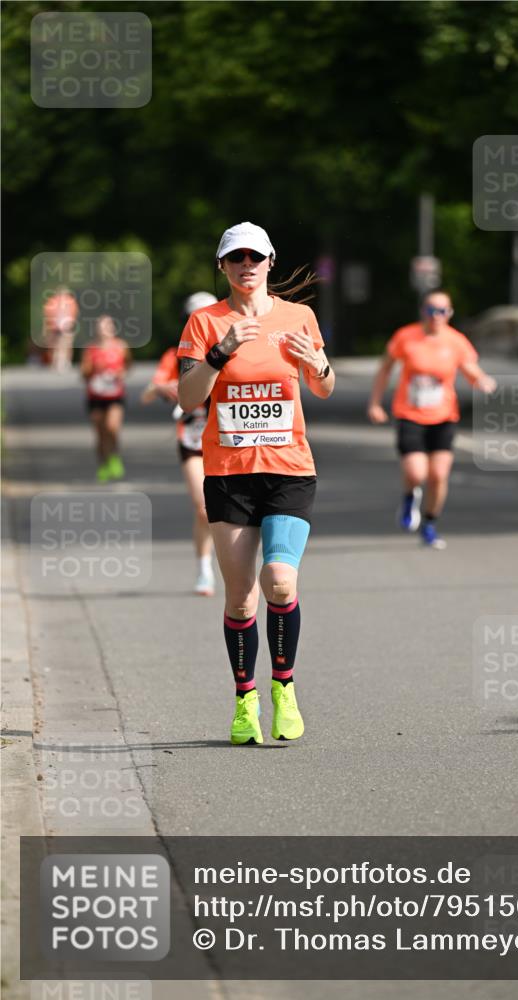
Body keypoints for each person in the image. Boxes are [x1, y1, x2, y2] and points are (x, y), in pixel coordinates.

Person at [177, 222, 334, 745]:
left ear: (270, 261)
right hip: (229, 475)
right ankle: (245, 700)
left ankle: (283, 688)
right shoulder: (205, 322)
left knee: (280, 582)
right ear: (222, 266)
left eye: (255, 257)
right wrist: (219, 353)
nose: (246, 265)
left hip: (289, 468)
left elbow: (323, 387)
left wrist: (319, 364)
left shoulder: (298, 317)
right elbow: (188, 398)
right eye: (236, 258)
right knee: (242, 599)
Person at [368, 289, 497, 549]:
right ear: (422, 311)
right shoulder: (406, 336)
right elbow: (385, 368)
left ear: (449, 313)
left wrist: (482, 381)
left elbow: (470, 369)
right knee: (416, 473)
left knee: (438, 475)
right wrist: (375, 403)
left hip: (443, 416)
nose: (436, 316)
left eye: (442, 311)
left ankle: (429, 523)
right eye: (431, 310)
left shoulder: (456, 341)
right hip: (410, 414)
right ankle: (409, 496)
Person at [141, 292, 218, 597]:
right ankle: (204, 569)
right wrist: (165, 387)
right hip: (193, 440)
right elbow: (147, 393)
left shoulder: (231, 350)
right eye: (195, 318)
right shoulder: (178, 355)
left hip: (230, 441)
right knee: (203, 509)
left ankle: (237, 564)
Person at [81, 315, 131, 482]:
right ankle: (103, 464)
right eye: (101, 326)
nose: (104, 329)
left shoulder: (121, 346)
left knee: (112, 427)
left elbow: (128, 366)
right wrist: (93, 369)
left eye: (108, 326)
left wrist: (119, 374)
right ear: (96, 329)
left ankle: (115, 457)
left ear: (113, 328)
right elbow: (84, 374)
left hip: (115, 395)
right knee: (100, 433)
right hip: (96, 395)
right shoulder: (90, 349)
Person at [43, 285, 78, 371]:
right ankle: (59, 362)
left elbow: (73, 313)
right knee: (60, 345)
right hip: (57, 327)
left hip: (62, 326)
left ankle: (62, 361)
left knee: (63, 345)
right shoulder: (66, 301)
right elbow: (48, 313)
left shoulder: (66, 301)